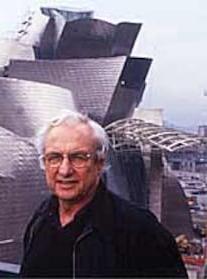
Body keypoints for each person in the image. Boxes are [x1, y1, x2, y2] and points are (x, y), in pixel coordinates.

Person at [20, 110, 187, 278]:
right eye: (54, 157)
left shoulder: (140, 229)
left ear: (99, 163)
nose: (64, 170)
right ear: (44, 163)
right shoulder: (40, 219)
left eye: (78, 157)